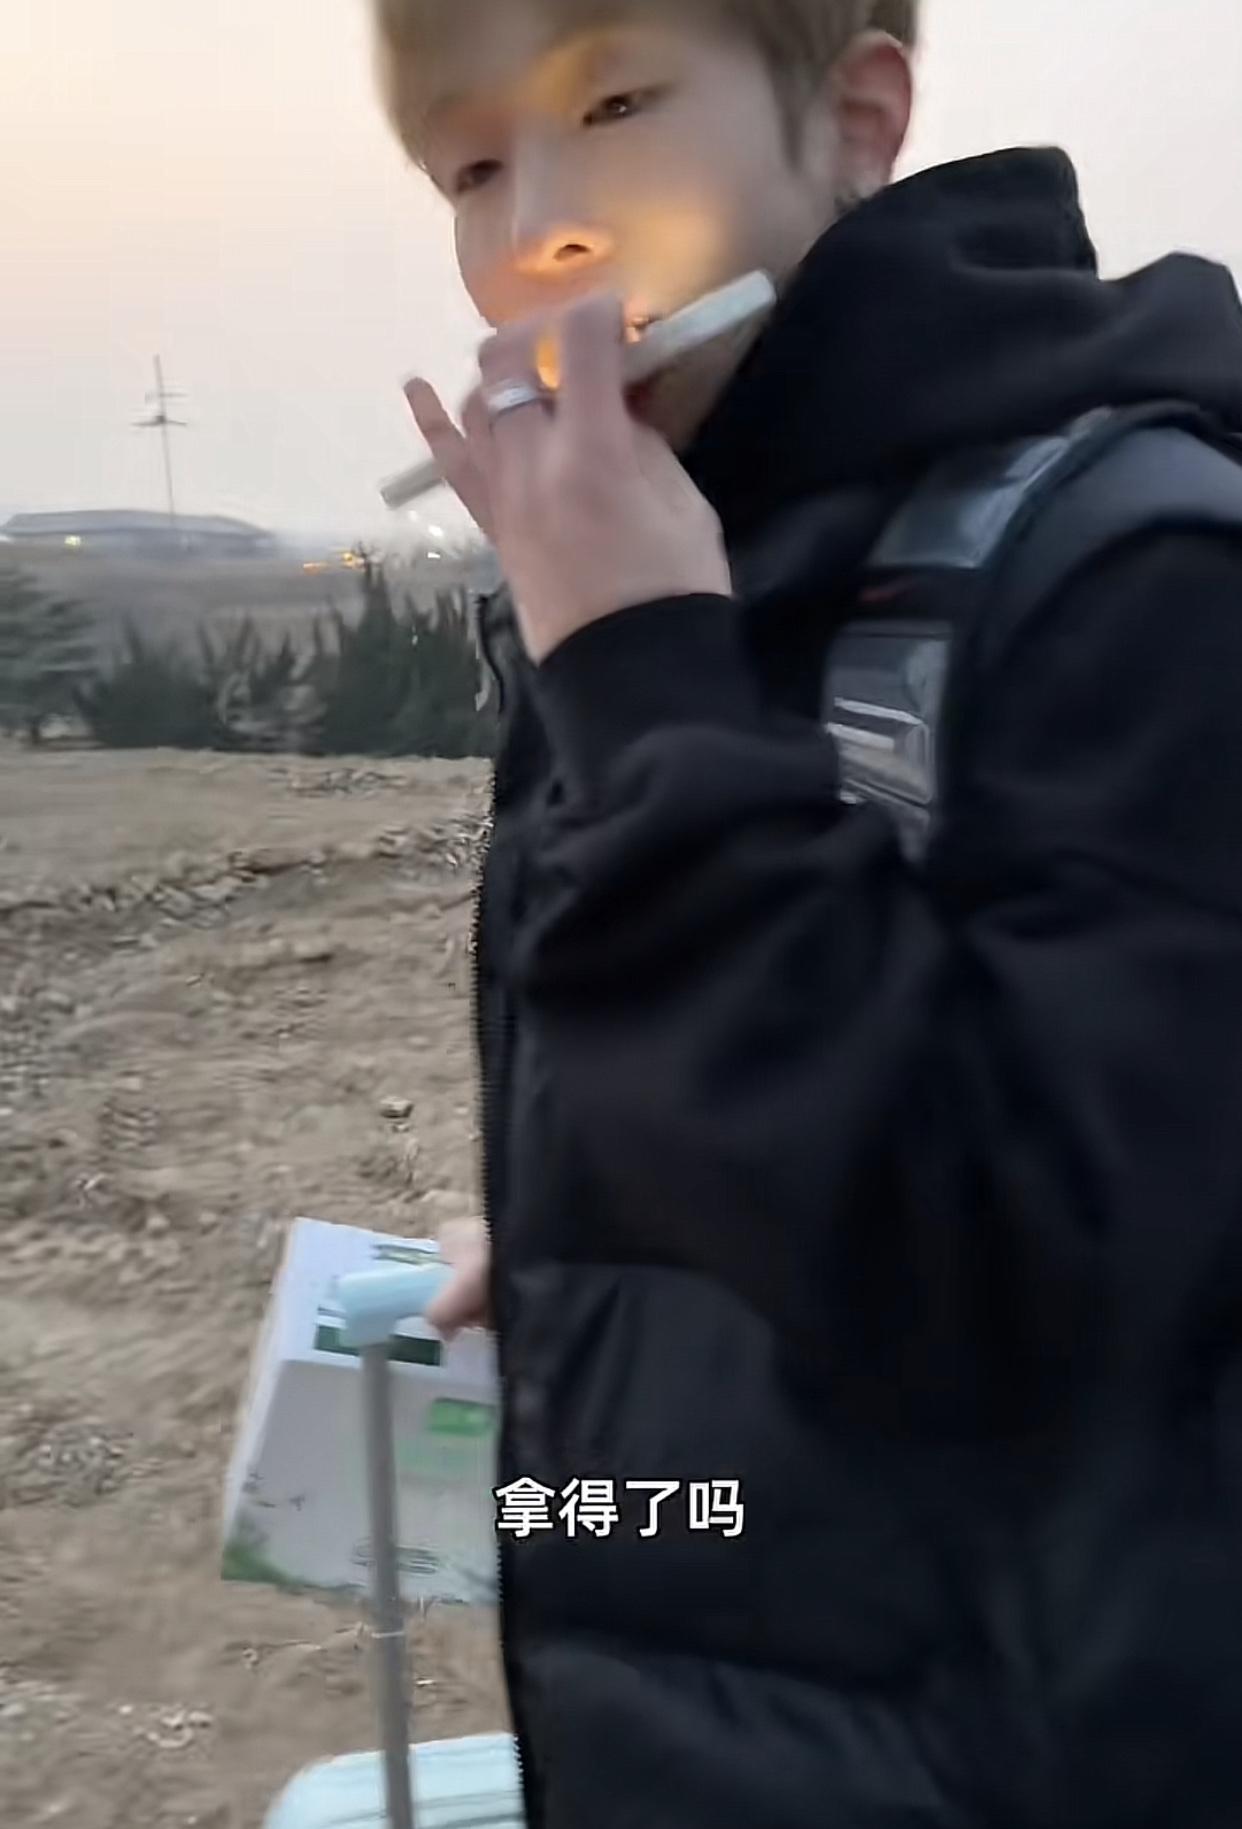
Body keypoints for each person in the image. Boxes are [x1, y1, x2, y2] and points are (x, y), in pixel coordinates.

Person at [371, 1, 1242, 1823]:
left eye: (616, 102)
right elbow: (799, 1110)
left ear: (854, 117)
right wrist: (601, 1240)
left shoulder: (1137, 571)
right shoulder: (685, 567)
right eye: (470, 167)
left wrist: (642, 682)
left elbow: (1040, 1312)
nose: (539, 234)